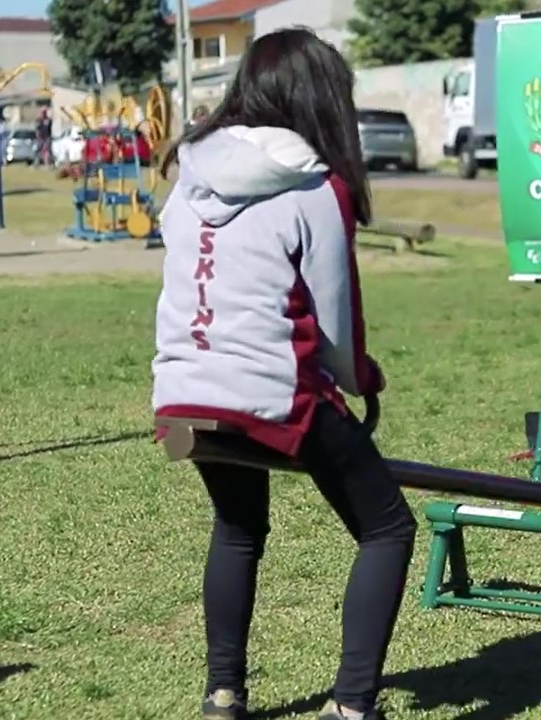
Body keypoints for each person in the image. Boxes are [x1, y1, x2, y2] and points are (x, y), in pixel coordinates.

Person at [151, 27, 416, 720]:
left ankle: (222, 693)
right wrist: (364, 380)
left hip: (182, 391)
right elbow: (337, 328)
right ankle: (352, 706)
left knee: (238, 526)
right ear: (322, 101)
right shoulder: (314, 187)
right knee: (388, 528)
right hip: (270, 390)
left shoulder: (190, 174)